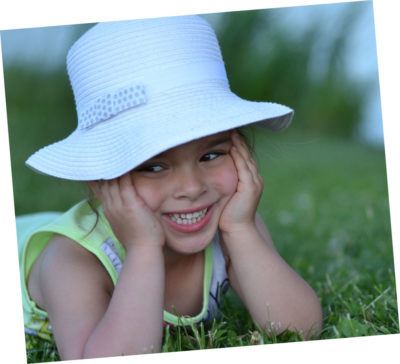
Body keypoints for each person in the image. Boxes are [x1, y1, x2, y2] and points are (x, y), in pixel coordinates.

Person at [16, 15, 322, 360]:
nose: (191, 188)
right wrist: (144, 249)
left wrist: (241, 229)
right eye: (154, 166)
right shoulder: (73, 260)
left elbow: (300, 330)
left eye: (210, 155)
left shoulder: (233, 226)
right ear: (101, 180)